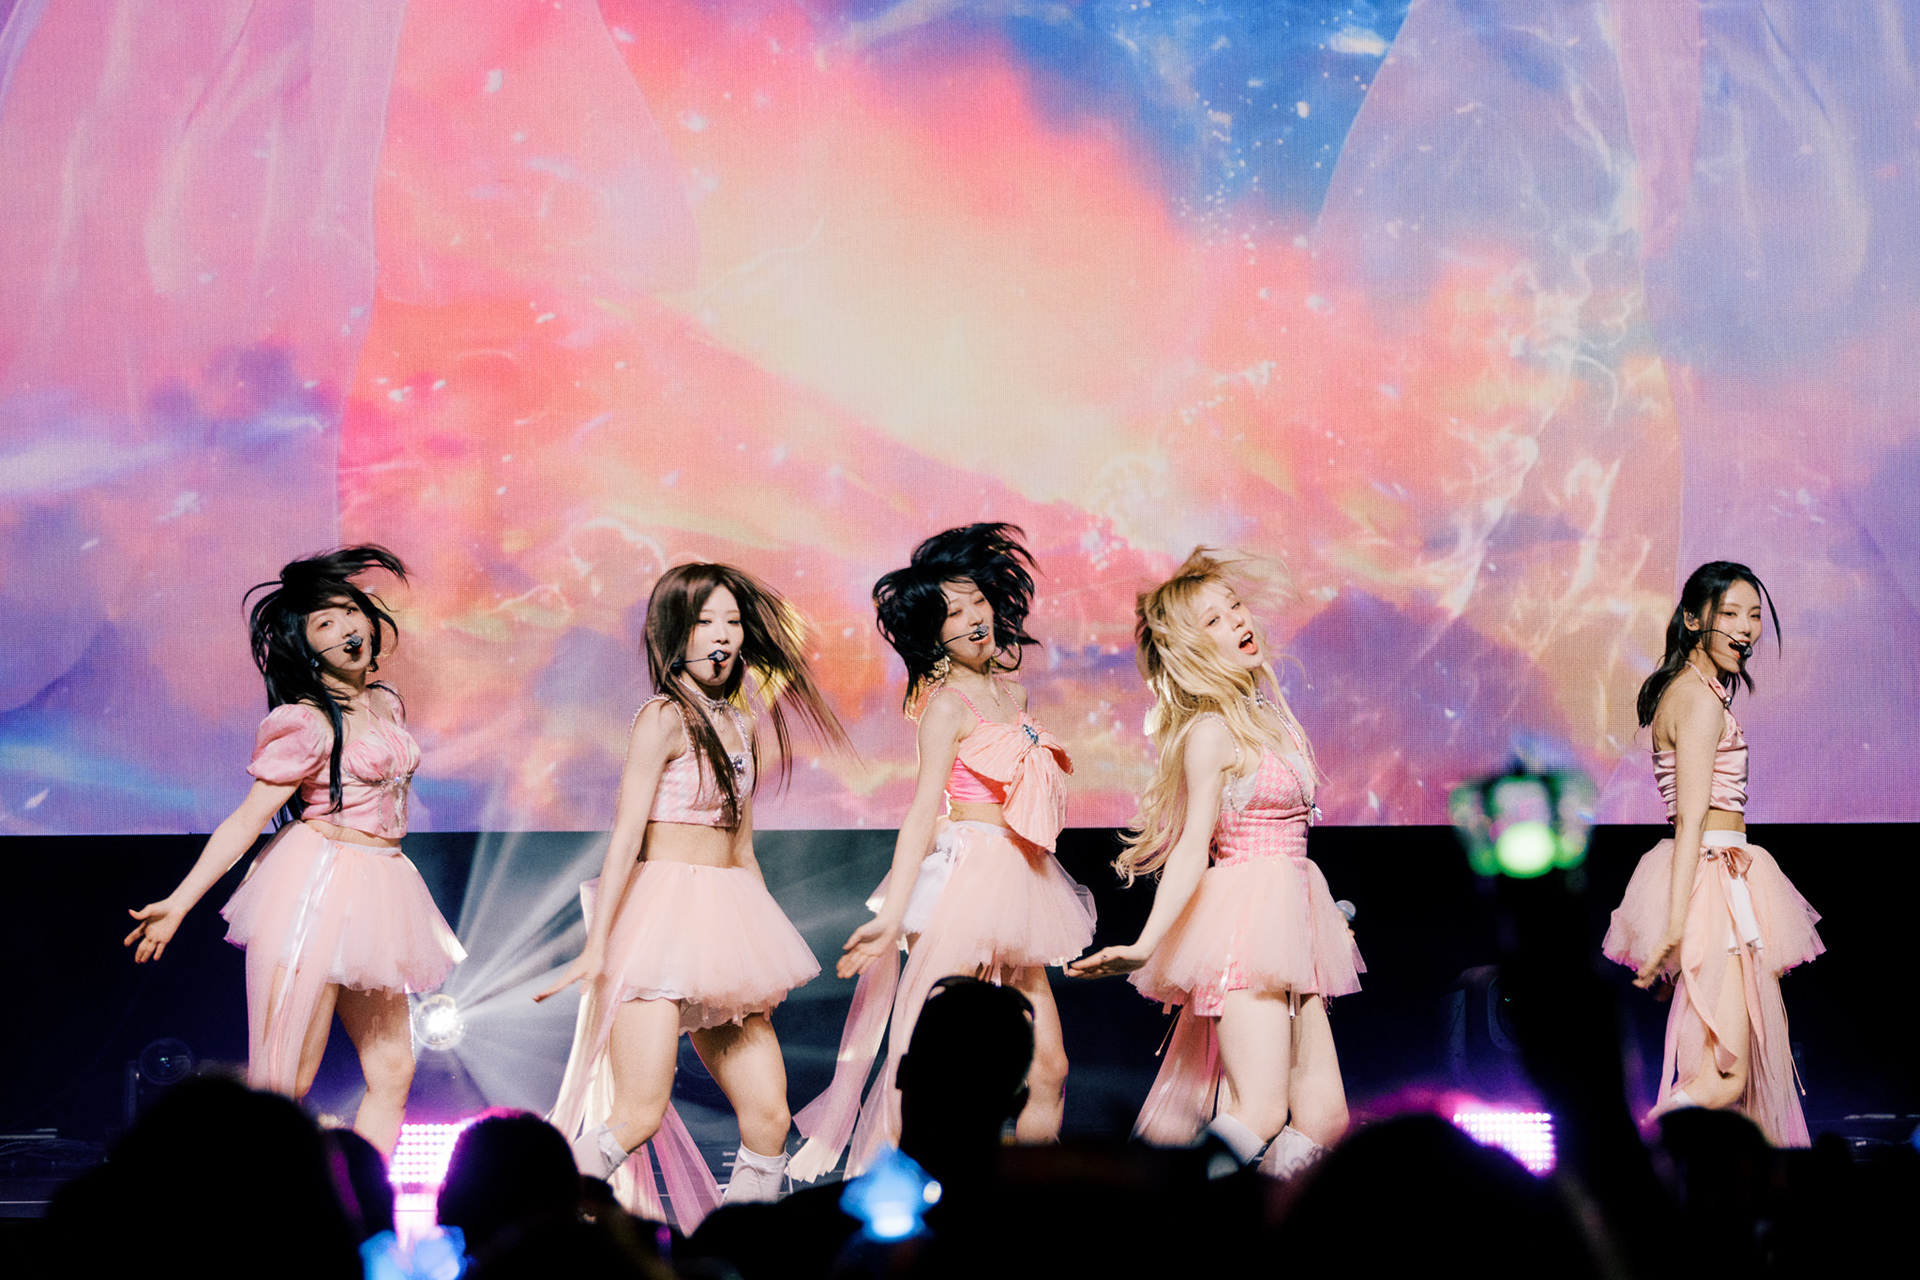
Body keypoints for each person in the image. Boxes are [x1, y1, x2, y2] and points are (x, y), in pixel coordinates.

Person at [538, 563, 850, 1225]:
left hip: (725, 920)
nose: (723, 635)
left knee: (769, 1118)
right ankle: (531, 1218)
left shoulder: (740, 724)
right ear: (676, 632)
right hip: (658, 921)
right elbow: (626, 838)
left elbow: (742, 847)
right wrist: (598, 947)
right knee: (638, 1114)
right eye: (706, 621)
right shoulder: (662, 717)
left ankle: (738, 1255)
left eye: (732, 621)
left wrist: (763, 949)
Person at [124, 548, 463, 1156]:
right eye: (325, 623)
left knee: (393, 1071)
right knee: (286, 1081)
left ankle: (364, 1200)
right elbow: (246, 819)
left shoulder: (385, 702)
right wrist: (178, 903)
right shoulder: (306, 723)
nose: (347, 627)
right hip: (316, 885)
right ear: (307, 649)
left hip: (383, 885)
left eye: (349, 612)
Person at [789, 523, 1094, 1181]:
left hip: (1023, 881)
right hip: (968, 882)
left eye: (977, 600)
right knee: (929, 1068)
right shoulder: (946, 706)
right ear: (932, 631)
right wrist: (892, 917)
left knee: (1050, 1068)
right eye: (953, 612)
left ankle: (1027, 1200)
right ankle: (909, 1195)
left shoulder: (1012, 694)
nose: (974, 617)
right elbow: (921, 813)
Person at [1069, 549, 1361, 1176]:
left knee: (1325, 1120)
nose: (1237, 621)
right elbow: (1189, 852)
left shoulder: (1271, 717)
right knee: (1259, 1109)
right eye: (1214, 620)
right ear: (1191, 649)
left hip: (1292, 922)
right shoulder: (1209, 733)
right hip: (1246, 930)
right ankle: (1174, 1206)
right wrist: (1145, 945)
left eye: (1235, 607)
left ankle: (1262, 1217)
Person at [1602, 561, 1823, 1144]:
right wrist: (1675, 926)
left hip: (1723, 875)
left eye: (1754, 616)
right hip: (1712, 882)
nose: (1746, 629)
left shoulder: (1699, 694)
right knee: (1724, 1080)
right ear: (1694, 619)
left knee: (1731, 1087)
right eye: (1730, 613)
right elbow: (1691, 821)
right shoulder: (1696, 701)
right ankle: (1620, 1154)